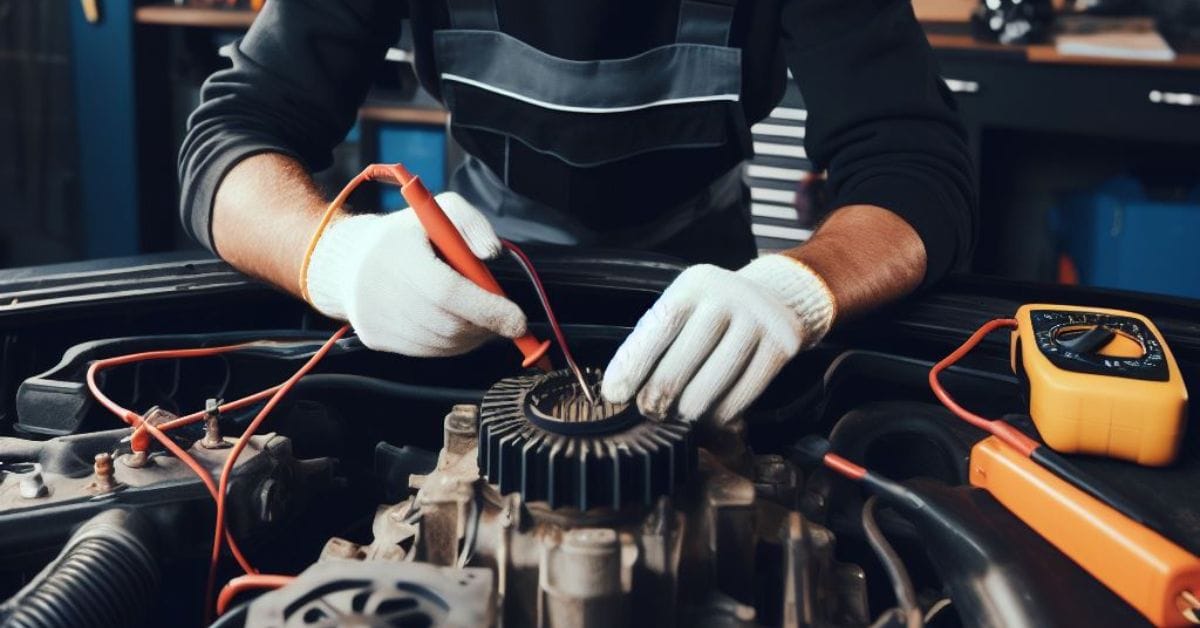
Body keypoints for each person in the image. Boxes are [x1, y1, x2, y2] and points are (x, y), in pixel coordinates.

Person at [179, 0, 975, 425]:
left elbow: (914, 163)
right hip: (477, 291)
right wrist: (335, 260)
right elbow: (233, 135)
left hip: (713, 284)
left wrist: (799, 289)